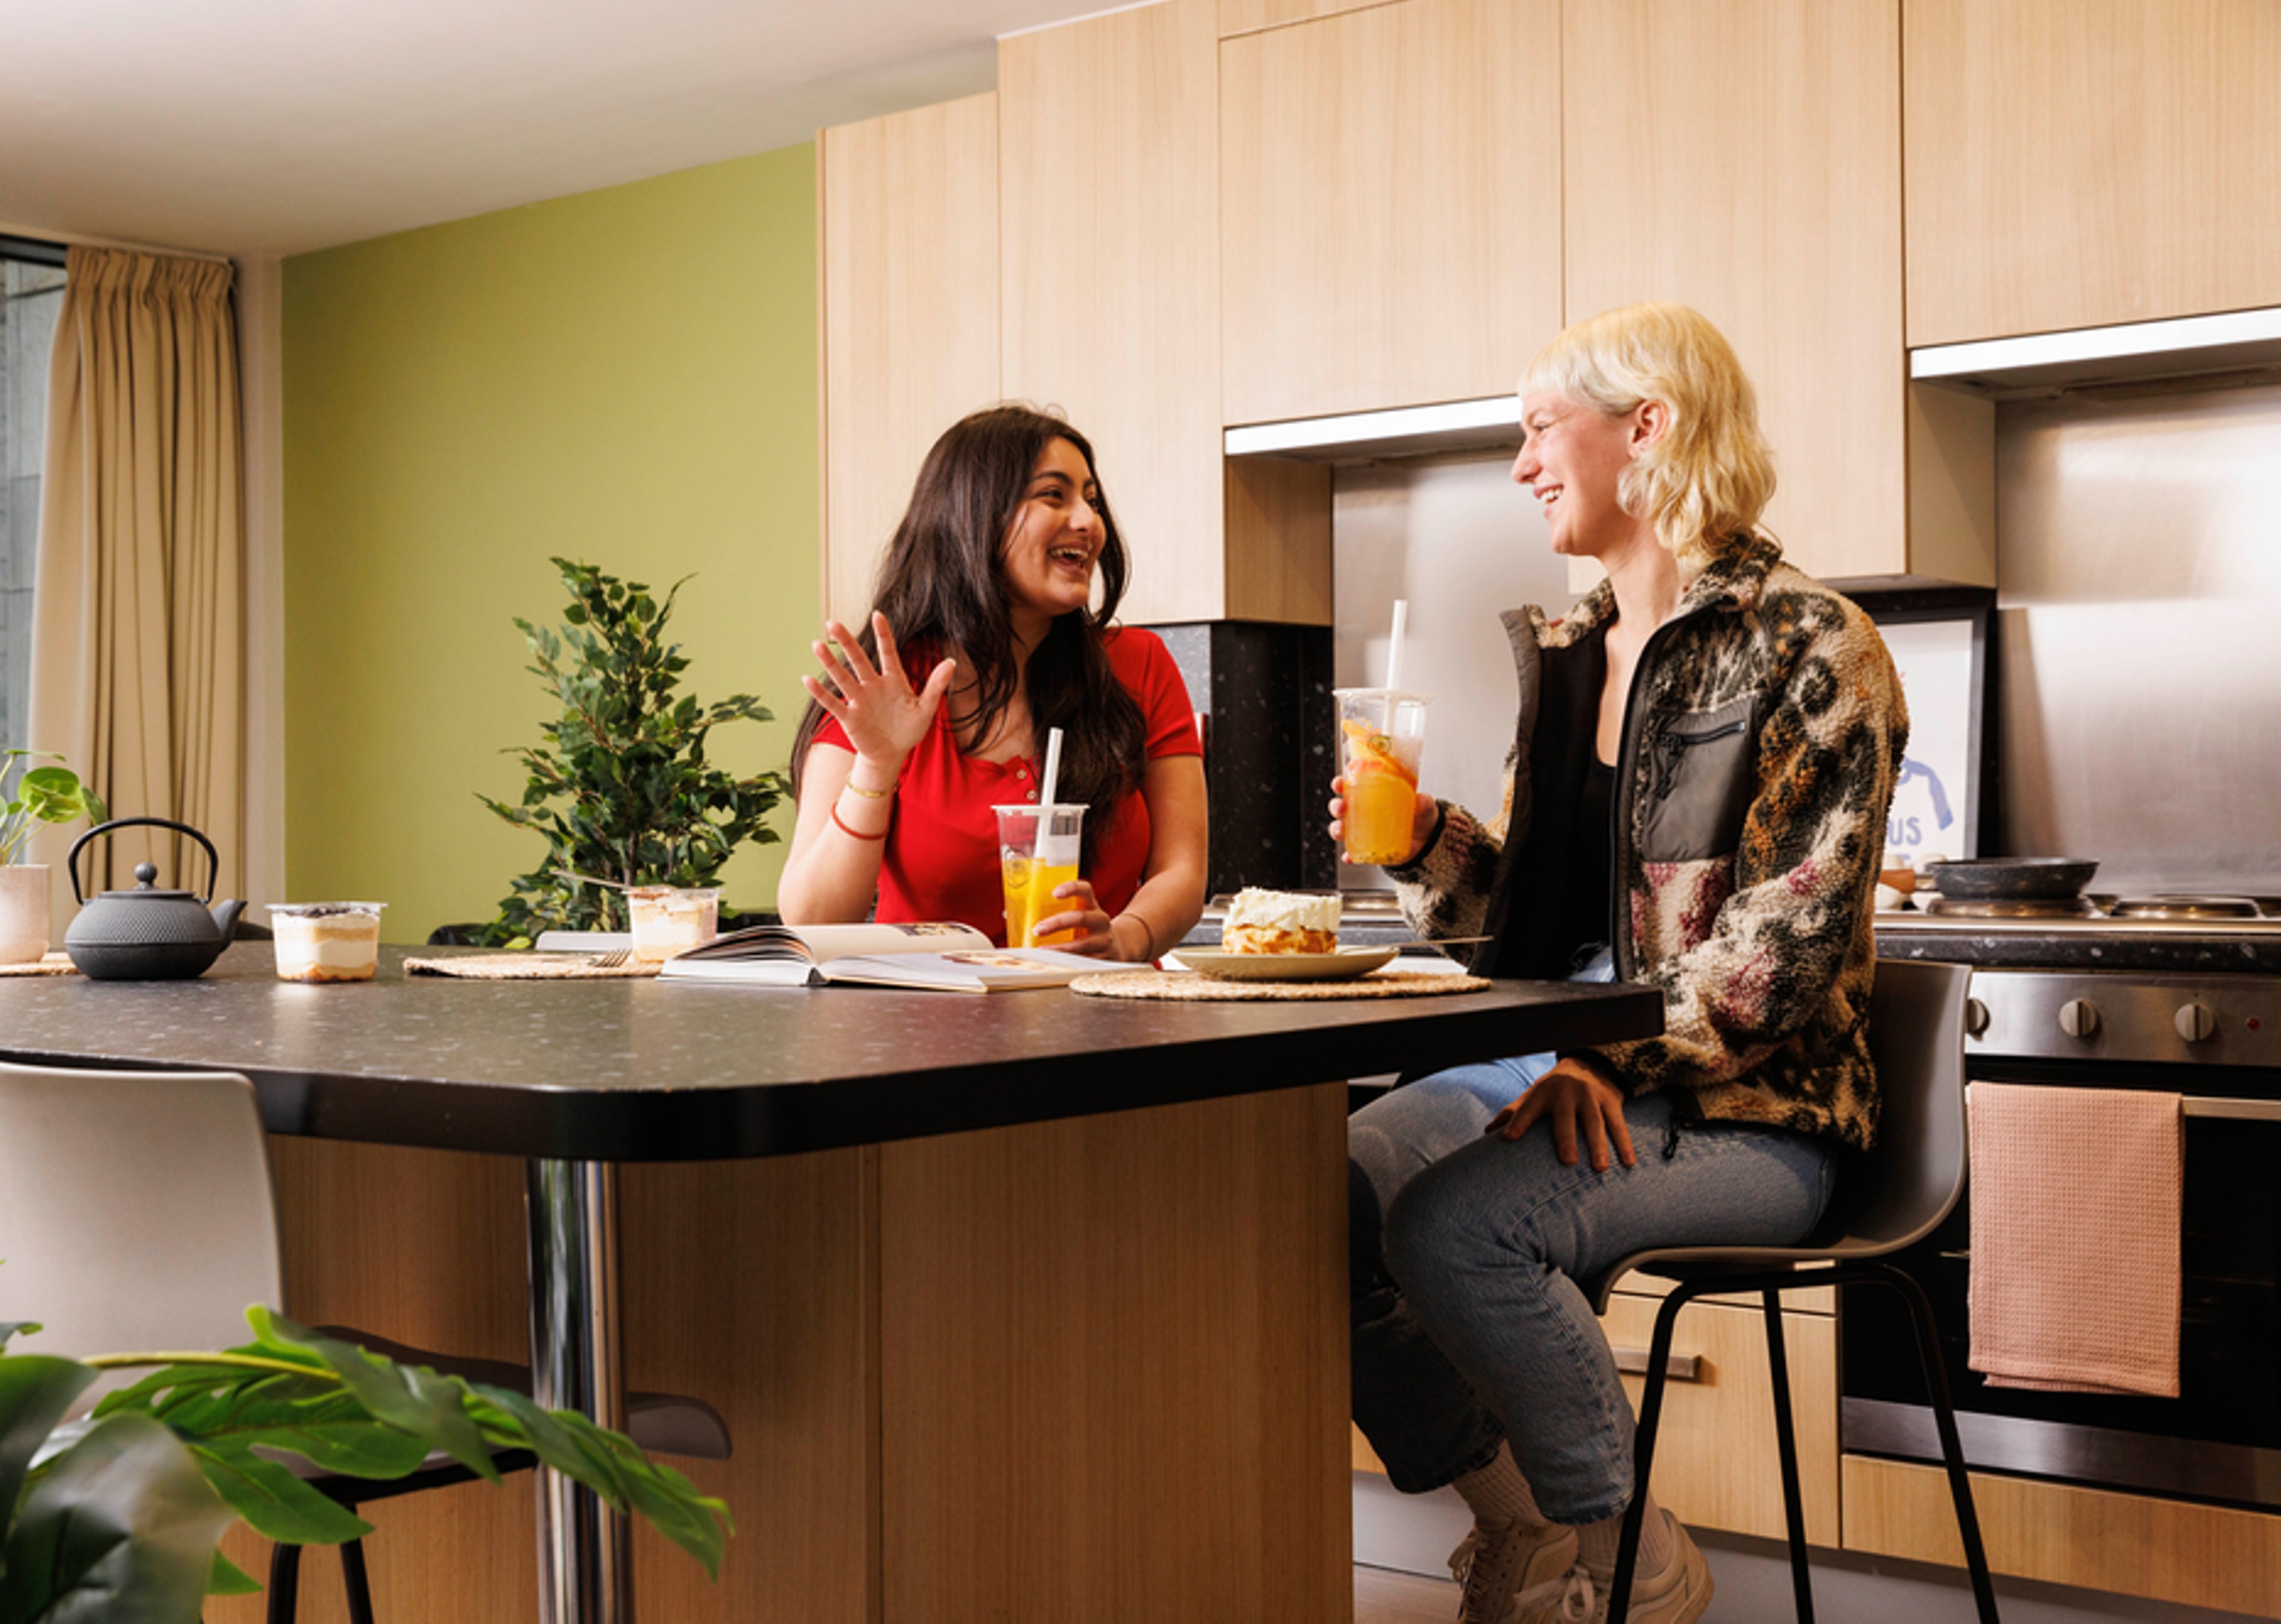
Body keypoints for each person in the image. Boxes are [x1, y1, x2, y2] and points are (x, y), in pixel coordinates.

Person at [1337, 304, 1908, 1624]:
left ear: (1646, 427)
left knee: (1454, 1224)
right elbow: (1529, 929)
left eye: (1542, 428)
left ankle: (1624, 1563)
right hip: (1561, 1061)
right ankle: (1525, 1521)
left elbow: (1785, 944)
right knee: (1317, 1197)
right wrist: (1422, 841)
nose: (1523, 464)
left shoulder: (1816, 646)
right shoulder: (1574, 656)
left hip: (1756, 1107)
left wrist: (1614, 1053)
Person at [779, 404, 1207, 959]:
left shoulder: (1138, 664)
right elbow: (813, 918)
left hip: (1103, 1007)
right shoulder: (883, 686)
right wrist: (877, 766)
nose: (1089, 521)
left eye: (1092, 499)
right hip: (923, 1012)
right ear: (973, 517)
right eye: (1054, 495)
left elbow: (1183, 869)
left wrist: (1125, 940)